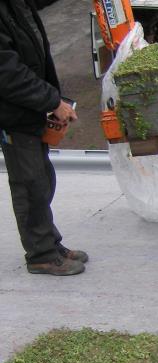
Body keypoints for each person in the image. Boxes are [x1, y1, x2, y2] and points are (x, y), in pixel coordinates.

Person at [1, 0, 86, 275]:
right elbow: (7, 74)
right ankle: (40, 255)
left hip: (29, 111)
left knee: (42, 179)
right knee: (29, 185)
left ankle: (50, 243)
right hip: (12, 116)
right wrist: (52, 101)